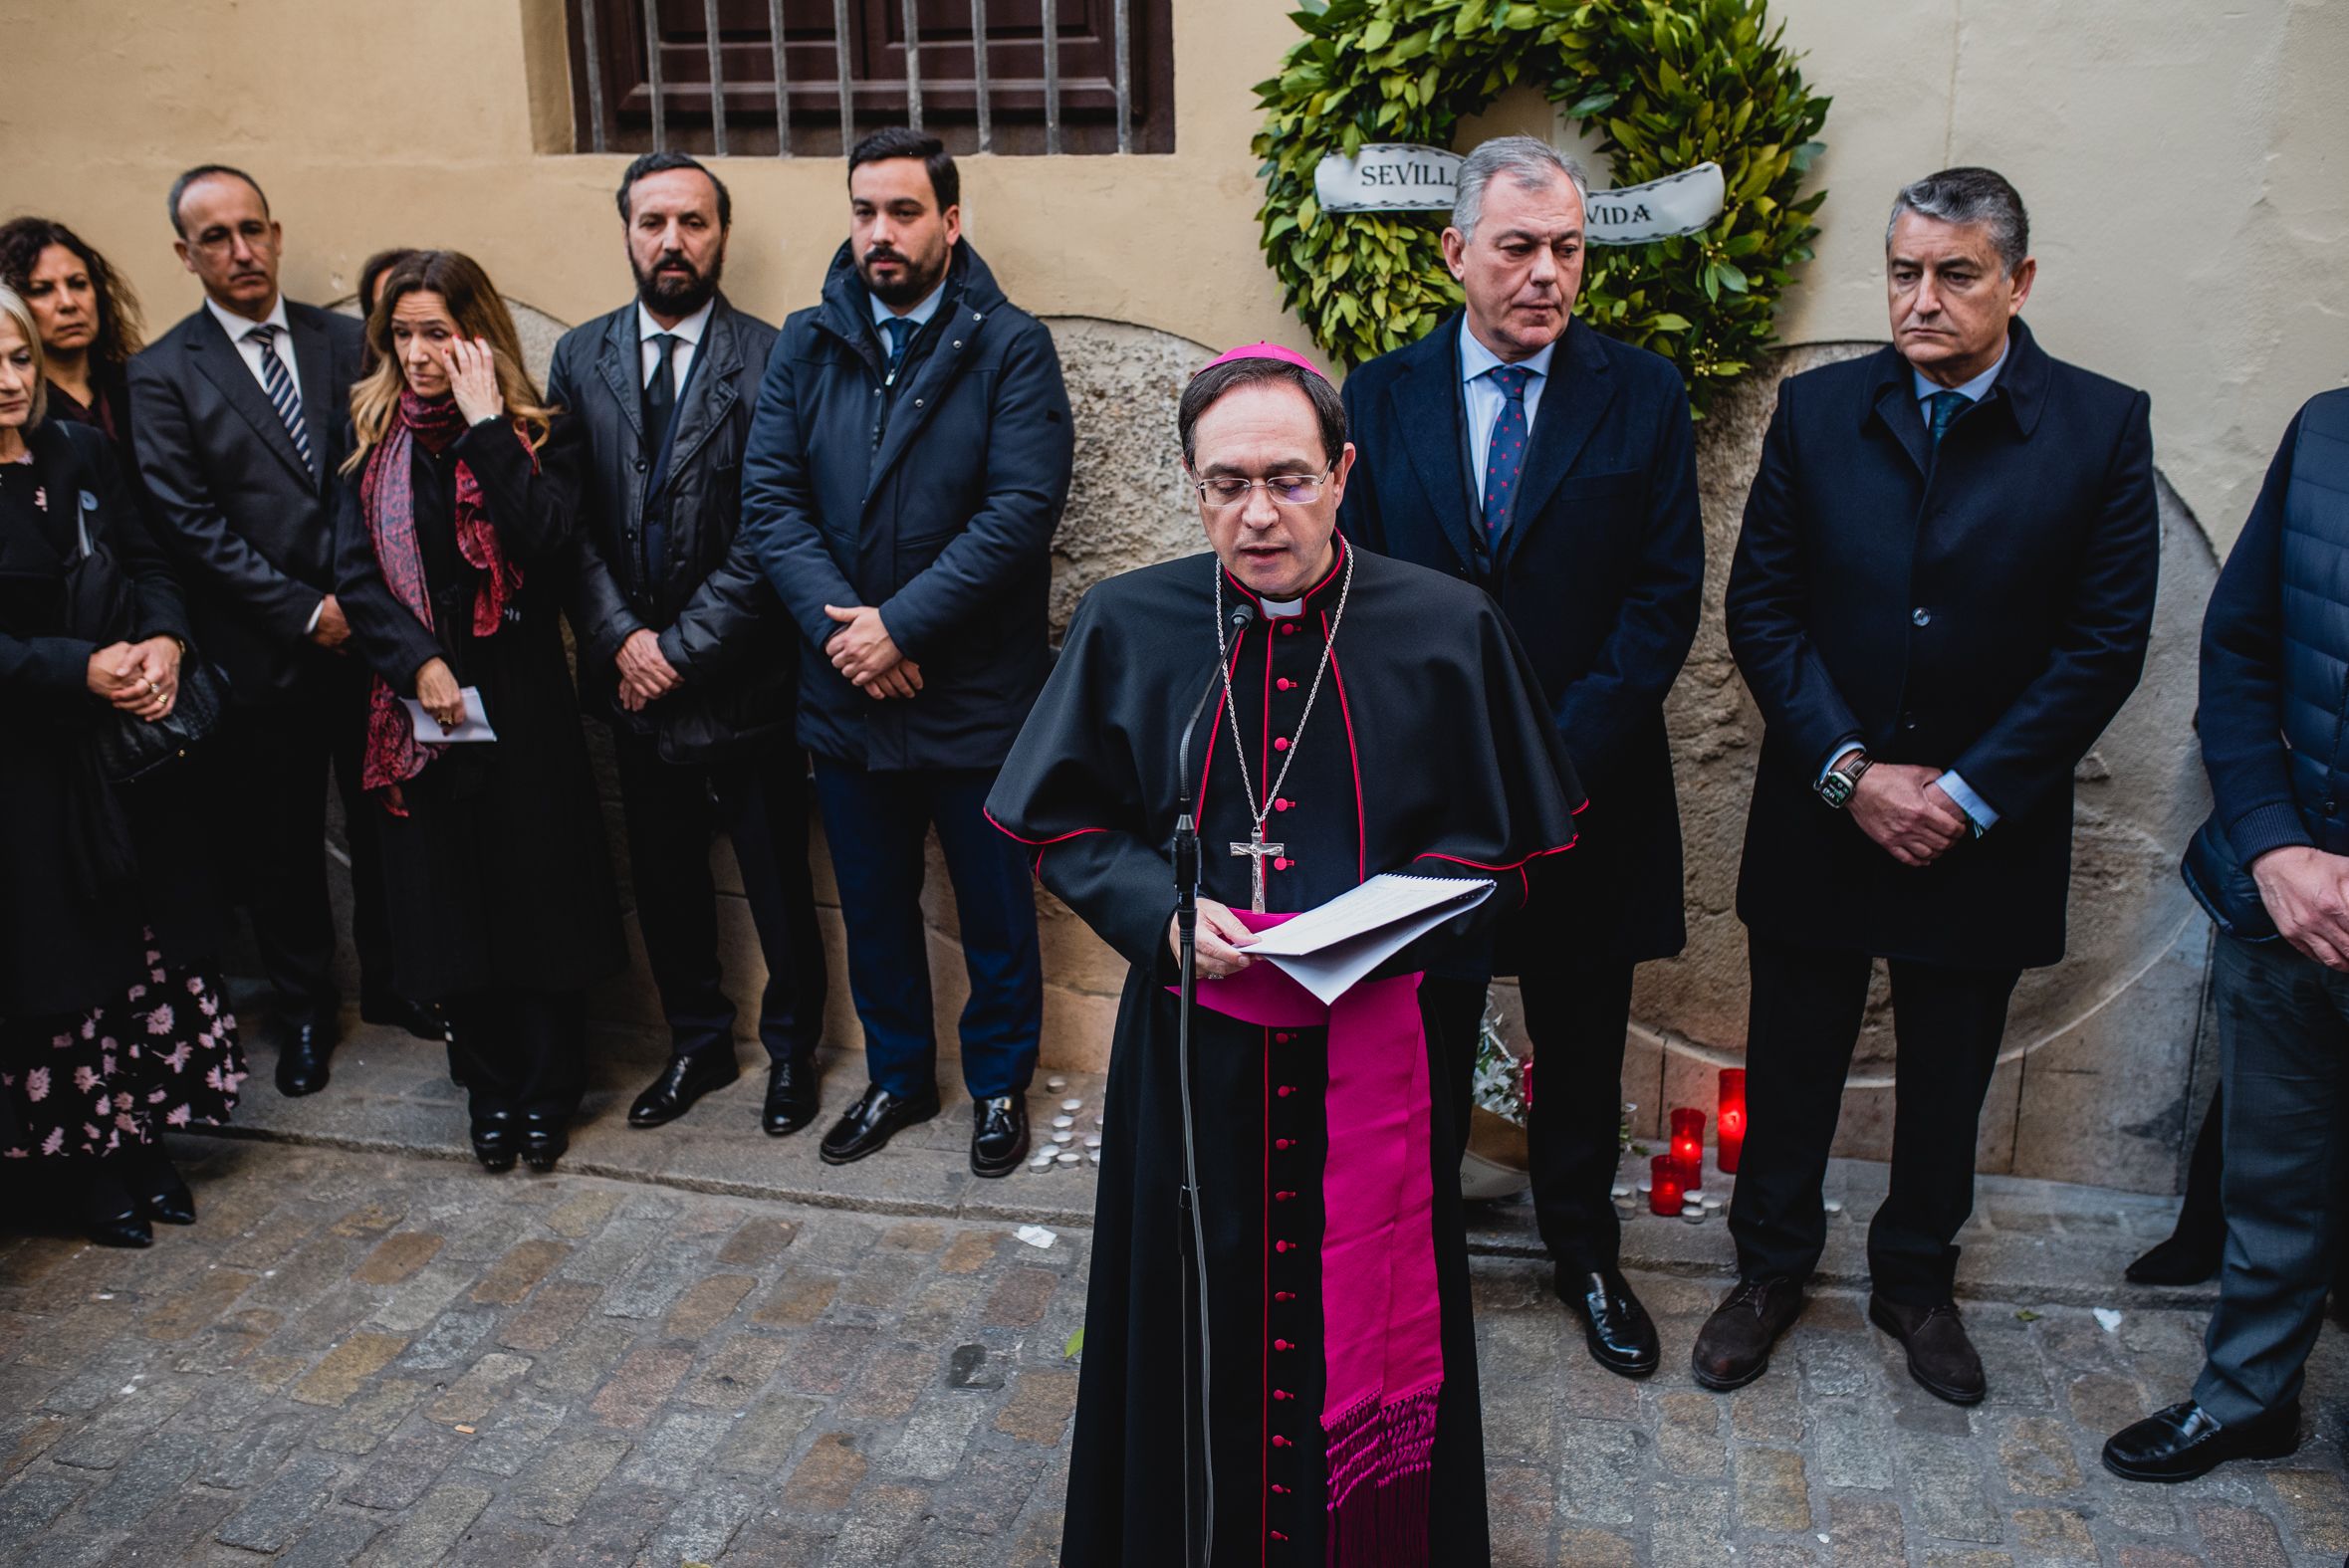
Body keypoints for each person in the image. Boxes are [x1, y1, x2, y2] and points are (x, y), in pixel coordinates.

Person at [989, 344, 1583, 1564]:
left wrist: (1398, 917)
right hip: (1192, 1053)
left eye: (1289, 479)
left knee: (1362, 1308)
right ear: (1192, 487)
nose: (1257, 515)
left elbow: (1518, 849)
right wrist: (1155, 910)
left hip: (1378, 1053)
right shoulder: (1130, 622)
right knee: (1189, 1305)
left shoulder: (1446, 627)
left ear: (1343, 473)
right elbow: (1058, 821)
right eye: (1225, 484)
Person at [1707, 168, 2158, 1404]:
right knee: (1790, 1057)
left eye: (1954, 274)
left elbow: (2102, 643)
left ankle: (1916, 1282)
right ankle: (1767, 1272)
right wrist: (1848, 770)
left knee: (1950, 1070)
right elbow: (1763, 609)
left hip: (1982, 831)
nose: (1921, 298)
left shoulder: (2102, 425)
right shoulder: (1816, 412)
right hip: (1825, 809)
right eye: (1904, 271)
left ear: (2017, 282)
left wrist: (1963, 791)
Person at [1338, 135, 1704, 1381]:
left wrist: (1547, 757)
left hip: (1586, 790)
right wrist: (1441, 754)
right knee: (1423, 1038)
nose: (1546, 273)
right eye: (1518, 247)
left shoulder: (1642, 397)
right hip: (1424, 795)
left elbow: (1661, 607)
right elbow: (1360, 594)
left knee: (1583, 1039)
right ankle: (1413, 1262)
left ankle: (1585, 1255)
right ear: (1455, 254)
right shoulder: (1376, 398)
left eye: (1567, 250)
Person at [742, 127, 1071, 1178]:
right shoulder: (807, 339)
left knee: (993, 912)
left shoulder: (1010, 345)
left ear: (950, 221)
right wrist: (855, 637)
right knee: (875, 906)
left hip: (972, 694)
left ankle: (996, 1086)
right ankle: (896, 1078)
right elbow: (771, 503)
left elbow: (1019, 513)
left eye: (902, 212)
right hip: (847, 691)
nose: (879, 234)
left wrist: (904, 626)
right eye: (863, 212)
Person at [126, 165, 427, 1100]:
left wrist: (355, 600)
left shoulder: (347, 340)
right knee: (281, 845)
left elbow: (378, 473)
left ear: (278, 233)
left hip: (369, 636)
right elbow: (189, 521)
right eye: (214, 238)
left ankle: (397, 984)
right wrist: (304, 610)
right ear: (185, 254)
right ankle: (304, 1011)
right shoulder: (164, 373)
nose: (240, 251)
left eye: (251, 229)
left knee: (388, 824)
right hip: (264, 652)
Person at [330, 250, 625, 1174]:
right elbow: (352, 574)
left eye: (438, 334)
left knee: (535, 896)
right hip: (420, 715)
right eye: (404, 334)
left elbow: (544, 542)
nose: (419, 355)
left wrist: (490, 427)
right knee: (451, 909)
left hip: (524, 706)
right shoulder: (372, 444)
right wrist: (416, 659)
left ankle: (548, 1092)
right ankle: (488, 1092)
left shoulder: (541, 434)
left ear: (477, 336)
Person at [2103, 387, 2349, 1481]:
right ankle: (2249, 1397)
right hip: (2284, 899)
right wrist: (2272, 844)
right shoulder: (2329, 429)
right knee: (2274, 1179)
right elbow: (2240, 649)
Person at [555, 151, 828, 1135]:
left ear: (721, 234)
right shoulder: (579, 356)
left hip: (743, 679)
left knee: (776, 884)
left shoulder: (774, 356)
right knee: (667, 884)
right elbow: (568, 518)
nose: (672, 242)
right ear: (625, 229)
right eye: (652, 222)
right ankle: (697, 1044)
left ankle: (793, 1051)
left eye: (693, 223)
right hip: (631, 687)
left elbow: (775, 525)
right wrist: (622, 637)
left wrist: (684, 645)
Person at [0, 286, 245, 1246]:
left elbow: (151, 561)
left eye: (18, 358)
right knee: (61, 965)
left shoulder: (80, 450)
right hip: (26, 773)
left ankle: (145, 1142)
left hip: (129, 762)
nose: (9, 380)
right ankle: (82, 1168)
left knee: (149, 951)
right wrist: (76, 667)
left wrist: (165, 644)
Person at [0, 218, 146, 464]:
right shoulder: (14, 400)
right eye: (42, 289)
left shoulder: (137, 382)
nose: (68, 303)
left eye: (78, 284)